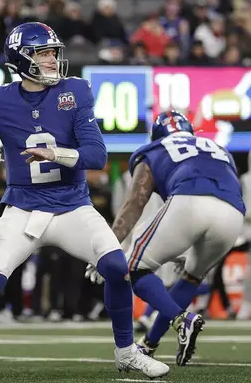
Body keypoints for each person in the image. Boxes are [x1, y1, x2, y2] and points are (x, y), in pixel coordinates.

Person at [0, 22, 169, 383]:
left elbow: (97, 155)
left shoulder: (76, 92)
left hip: (72, 206)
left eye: (54, 52)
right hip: (23, 210)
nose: (53, 59)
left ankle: (126, 352)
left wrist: (55, 153)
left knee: (117, 268)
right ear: (21, 59)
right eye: (43, 53)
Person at [87, 111, 244, 366]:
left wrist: (107, 248)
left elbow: (134, 204)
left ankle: (182, 319)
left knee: (132, 267)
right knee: (192, 276)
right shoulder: (218, 148)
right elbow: (222, 188)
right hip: (233, 213)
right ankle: (149, 344)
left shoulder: (154, 149)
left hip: (189, 201)